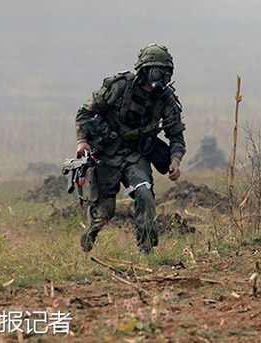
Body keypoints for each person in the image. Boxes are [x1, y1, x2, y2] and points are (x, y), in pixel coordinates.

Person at [74, 43, 187, 254]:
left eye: (165, 73)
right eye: (156, 72)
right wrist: (82, 141)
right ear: (144, 70)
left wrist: (175, 160)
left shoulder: (165, 100)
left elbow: (176, 135)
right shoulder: (118, 87)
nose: (160, 78)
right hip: (106, 156)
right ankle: (91, 232)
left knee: (144, 193)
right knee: (105, 212)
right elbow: (84, 113)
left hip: (137, 156)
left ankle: (146, 249)